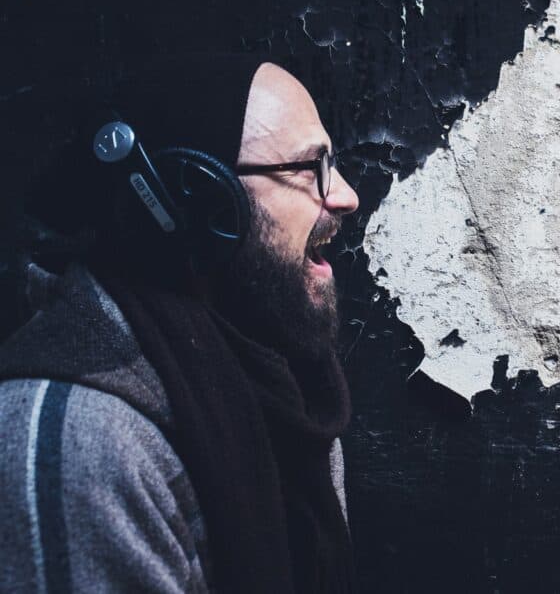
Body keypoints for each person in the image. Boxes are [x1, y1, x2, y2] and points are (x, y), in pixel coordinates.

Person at [0, 57, 361, 593]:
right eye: (309, 169)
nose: (346, 196)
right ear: (195, 197)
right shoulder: (86, 449)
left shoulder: (287, 393)